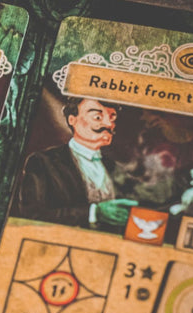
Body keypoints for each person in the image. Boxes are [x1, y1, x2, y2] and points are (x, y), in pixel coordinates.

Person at [16, 96, 137, 228]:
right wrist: (94, 213)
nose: (109, 124)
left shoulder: (114, 167)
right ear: (72, 120)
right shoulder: (43, 161)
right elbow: (32, 215)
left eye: (112, 118)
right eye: (97, 117)